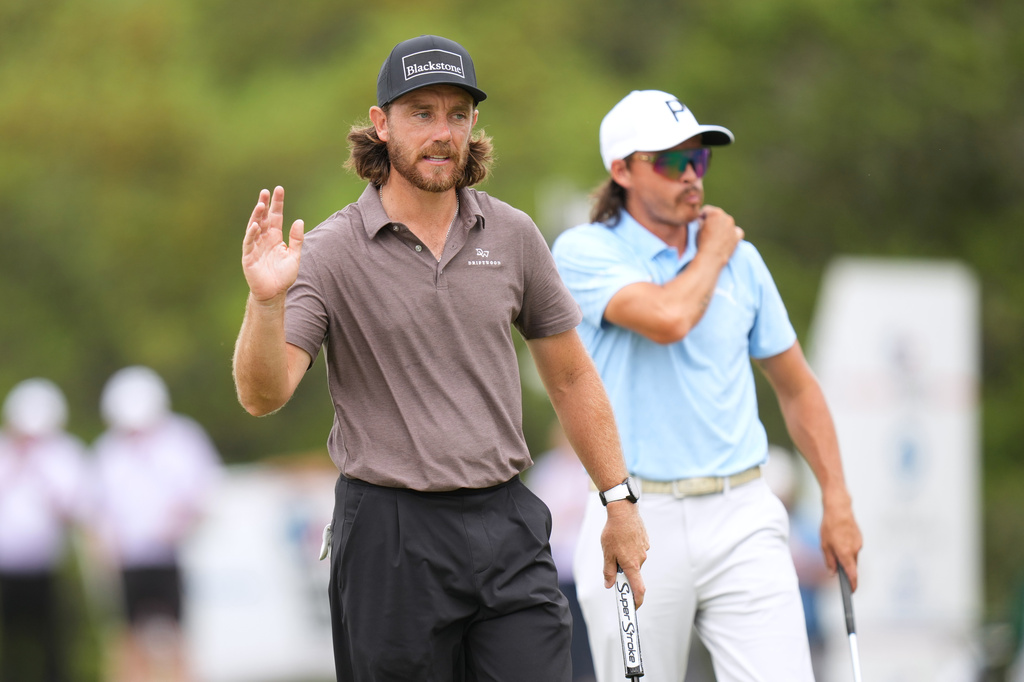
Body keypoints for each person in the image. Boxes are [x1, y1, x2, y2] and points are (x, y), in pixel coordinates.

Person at [231, 35, 648, 682]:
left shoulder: (512, 235)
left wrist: (618, 502)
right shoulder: (329, 252)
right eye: (420, 112)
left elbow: (569, 377)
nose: (441, 132)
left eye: (457, 114)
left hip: (505, 522)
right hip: (389, 536)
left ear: (473, 123)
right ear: (381, 124)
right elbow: (264, 393)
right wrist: (265, 303)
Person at [551, 89, 863, 682]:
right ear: (621, 170)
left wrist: (837, 500)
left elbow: (797, 387)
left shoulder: (742, 262)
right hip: (635, 516)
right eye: (671, 163)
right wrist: (716, 251)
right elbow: (668, 320)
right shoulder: (584, 250)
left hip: (743, 510)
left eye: (699, 159)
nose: (692, 177)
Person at [91, 366, 222, 682]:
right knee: (126, 638)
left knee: (178, 637)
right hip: (126, 559)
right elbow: (95, 508)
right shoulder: (108, 451)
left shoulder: (182, 439)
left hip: (172, 554)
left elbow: (207, 491)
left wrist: (184, 521)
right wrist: (104, 547)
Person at [0, 378, 89, 682]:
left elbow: (73, 509)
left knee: (53, 644)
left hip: (48, 567)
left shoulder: (64, 455)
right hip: (5, 567)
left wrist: (38, 473)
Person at [524, 423, 596, 682]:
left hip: (590, 566)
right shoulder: (546, 470)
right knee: (566, 630)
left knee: (592, 631)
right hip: (558, 568)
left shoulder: (591, 470)